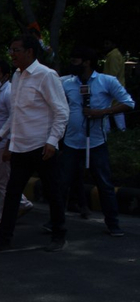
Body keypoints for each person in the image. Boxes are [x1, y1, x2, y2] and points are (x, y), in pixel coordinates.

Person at [0, 35, 70, 252]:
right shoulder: (17, 75)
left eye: (16, 50)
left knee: (53, 192)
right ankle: (3, 238)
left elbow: (61, 111)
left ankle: (59, 236)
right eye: (11, 50)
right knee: (12, 194)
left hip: (42, 146)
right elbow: (16, 113)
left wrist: (52, 141)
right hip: (20, 147)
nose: (12, 54)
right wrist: (1, 134)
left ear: (30, 52)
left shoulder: (46, 75)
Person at [57, 46, 133, 237]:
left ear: (86, 62)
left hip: (96, 141)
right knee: (62, 183)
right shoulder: (67, 83)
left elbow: (129, 103)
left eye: (75, 61)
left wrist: (102, 112)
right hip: (71, 142)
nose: (72, 65)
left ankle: (113, 224)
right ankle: (55, 223)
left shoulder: (106, 81)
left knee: (104, 184)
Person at [0, 60, 34, 231]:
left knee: (3, 183)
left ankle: (2, 220)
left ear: (5, 76)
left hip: (4, 144)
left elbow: (15, 120)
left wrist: (9, 145)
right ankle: (22, 203)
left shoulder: (9, 92)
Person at [103, 38, 127, 132]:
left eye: (107, 43)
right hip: (115, 85)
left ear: (113, 44)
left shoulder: (113, 56)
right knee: (114, 108)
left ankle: (118, 130)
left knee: (110, 108)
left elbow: (113, 73)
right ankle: (120, 130)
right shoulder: (113, 55)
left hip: (113, 86)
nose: (105, 46)